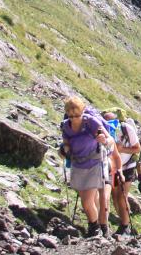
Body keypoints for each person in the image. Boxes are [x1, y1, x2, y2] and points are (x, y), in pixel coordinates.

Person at [59, 97, 112, 238]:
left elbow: (109, 140)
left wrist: (104, 140)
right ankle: (95, 226)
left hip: (94, 164)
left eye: (77, 115)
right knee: (86, 202)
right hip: (78, 164)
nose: (74, 119)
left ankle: (95, 228)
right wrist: (65, 149)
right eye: (71, 116)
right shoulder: (65, 125)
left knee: (87, 201)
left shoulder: (91, 122)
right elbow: (66, 142)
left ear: (82, 111)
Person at [103, 109, 140, 237]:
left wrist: (122, 148)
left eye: (112, 122)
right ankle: (124, 223)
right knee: (114, 196)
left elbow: (137, 148)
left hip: (128, 166)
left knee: (121, 196)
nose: (109, 125)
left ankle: (125, 225)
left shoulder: (127, 129)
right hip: (113, 167)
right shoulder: (103, 130)